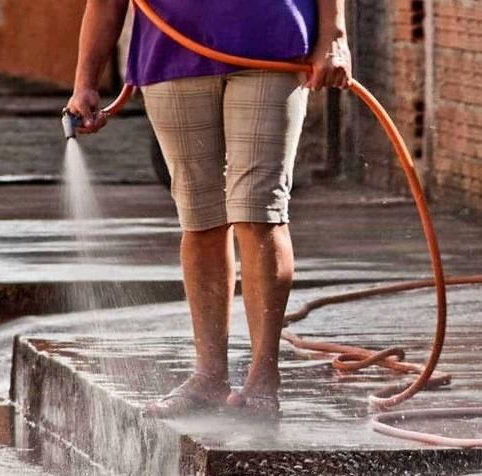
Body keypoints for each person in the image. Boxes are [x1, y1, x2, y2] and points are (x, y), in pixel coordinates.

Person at [67, 0, 352, 417]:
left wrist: (335, 37)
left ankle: (262, 380)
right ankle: (208, 377)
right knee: (200, 218)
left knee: (259, 210)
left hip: (270, 47)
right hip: (171, 54)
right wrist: (85, 82)